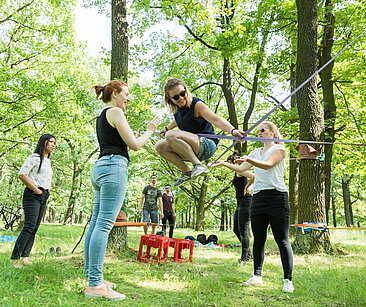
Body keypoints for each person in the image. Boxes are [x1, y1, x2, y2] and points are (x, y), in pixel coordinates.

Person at [84, 80, 160, 300]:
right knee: (104, 225)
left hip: (100, 168)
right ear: (115, 93)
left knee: (97, 223)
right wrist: (149, 131)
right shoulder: (116, 111)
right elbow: (135, 145)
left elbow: (122, 143)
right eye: (126, 94)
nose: (128, 98)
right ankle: (95, 285)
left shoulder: (102, 115)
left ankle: (92, 277)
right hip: (113, 169)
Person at [209, 121, 294, 293]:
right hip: (259, 198)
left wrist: (249, 159)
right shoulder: (255, 152)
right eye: (258, 131)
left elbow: (268, 164)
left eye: (262, 130)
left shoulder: (279, 149)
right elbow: (241, 168)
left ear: (272, 132)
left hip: (277, 197)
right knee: (259, 238)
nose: (259, 133)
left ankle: (287, 280)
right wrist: (224, 164)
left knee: (282, 240)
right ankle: (257, 276)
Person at [155, 77, 245, 187]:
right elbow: (178, 121)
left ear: (186, 91)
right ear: (170, 99)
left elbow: (215, 119)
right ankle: (186, 172)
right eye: (176, 97)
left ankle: (198, 165)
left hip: (207, 144)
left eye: (183, 93)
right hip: (191, 148)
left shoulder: (196, 105)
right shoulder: (177, 110)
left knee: (171, 136)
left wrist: (233, 130)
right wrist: (167, 128)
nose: (181, 98)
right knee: (159, 146)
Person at [11, 134, 56, 267]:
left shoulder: (48, 161)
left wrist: (47, 191)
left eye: (55, 143)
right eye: (51, 142)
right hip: (32, 195)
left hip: (43, 196)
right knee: (29, 227)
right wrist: (36, 190)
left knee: (35, 228)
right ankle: (15, 259)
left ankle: (25, 257)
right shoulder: (34, 158)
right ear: (44, 143)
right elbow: (22, 174)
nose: (53, 145)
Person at [226, 151, 254, 263]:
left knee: (243, 231)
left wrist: (247, 187)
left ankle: (244, 258)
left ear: (234, 163)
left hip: (246, 203)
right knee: (236, 229)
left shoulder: (240, 171)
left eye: (229, 163)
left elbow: (253, 176)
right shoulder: (237, 171)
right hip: (240, 203)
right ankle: (248, 254)